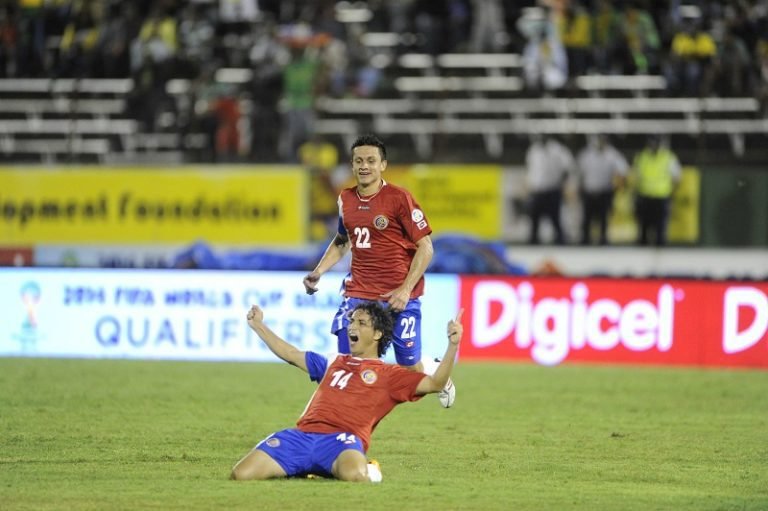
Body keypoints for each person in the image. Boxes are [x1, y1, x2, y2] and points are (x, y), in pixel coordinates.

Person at [230, 302, 464, 483]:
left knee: (356, 477)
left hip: (342, 441)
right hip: (301, 436)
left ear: (377, 334)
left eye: (361, 323)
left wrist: (452, 346)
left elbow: (435, 383)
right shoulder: (334, 361)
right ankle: (310, 467)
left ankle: (367, 466)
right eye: (352, 321)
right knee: (241, 474)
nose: (352, 326)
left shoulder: (390, 375)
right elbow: (291, 354)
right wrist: (259, 326)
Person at [301, 134, 455, 407]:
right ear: (351, 165)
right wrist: (319, 271)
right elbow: (343, 240)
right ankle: (346, 419)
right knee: (349, 359)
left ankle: (432, 369)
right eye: (359, 160)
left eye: (371, 161)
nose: (364, 166)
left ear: (383, 165)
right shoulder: (345, 199)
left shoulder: (399, 198)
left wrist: (406, 289)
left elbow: (426, 247)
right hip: (359, 292)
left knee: (409, 369)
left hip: (399, 296)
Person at [576, 134, 629, 245]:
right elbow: (578, 172)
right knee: (587, 219)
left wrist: (618, 186)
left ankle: (603, 241)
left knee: (604, 219)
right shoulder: (587, 154)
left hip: (605, 192)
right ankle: (585, 241)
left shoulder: (612, 154)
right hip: (589, 192)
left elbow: (623, 171)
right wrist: (579, 187)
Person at [632, 135, 681, 246]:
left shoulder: (668, 157)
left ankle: (662, 257)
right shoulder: (641, 156)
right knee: (643, 228)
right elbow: (635, 175)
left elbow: (677, 177)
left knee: (661, 230)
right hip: (645, 196)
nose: (653, 146)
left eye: (655, 144)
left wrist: (671, 192)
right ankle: (641, 257)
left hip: (661, 197)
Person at [525, 134, 574, 245]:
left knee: (555, 218)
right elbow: (530, 169)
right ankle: (533, 241)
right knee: (534, 219)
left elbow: (567, 168)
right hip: (537, 190)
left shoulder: (558, 150)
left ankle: (560, 241)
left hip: (553, 189)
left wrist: (562, 184)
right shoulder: (533, 150)